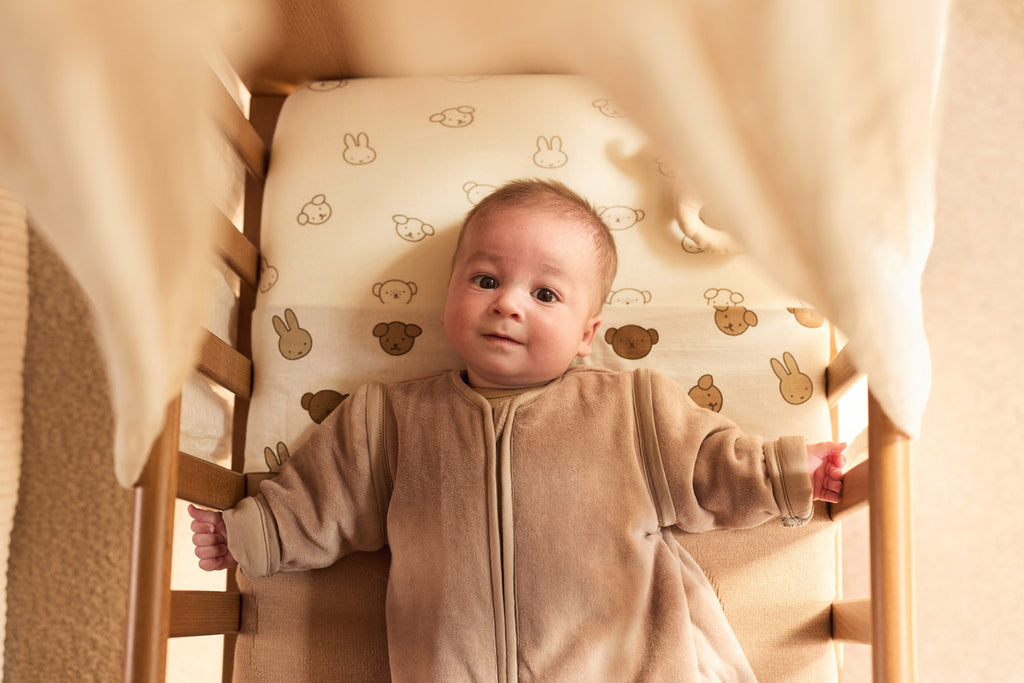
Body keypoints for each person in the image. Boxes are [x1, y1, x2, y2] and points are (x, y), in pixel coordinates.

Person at [189, 178, 845, 681]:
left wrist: (788, 472)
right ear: (448, 299)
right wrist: (250, 532)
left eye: (545, 294)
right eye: (485, 279)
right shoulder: (389, 420)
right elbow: (322, 498)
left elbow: (710, 469)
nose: (507, 302)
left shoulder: (631, 410)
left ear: (587, 334)